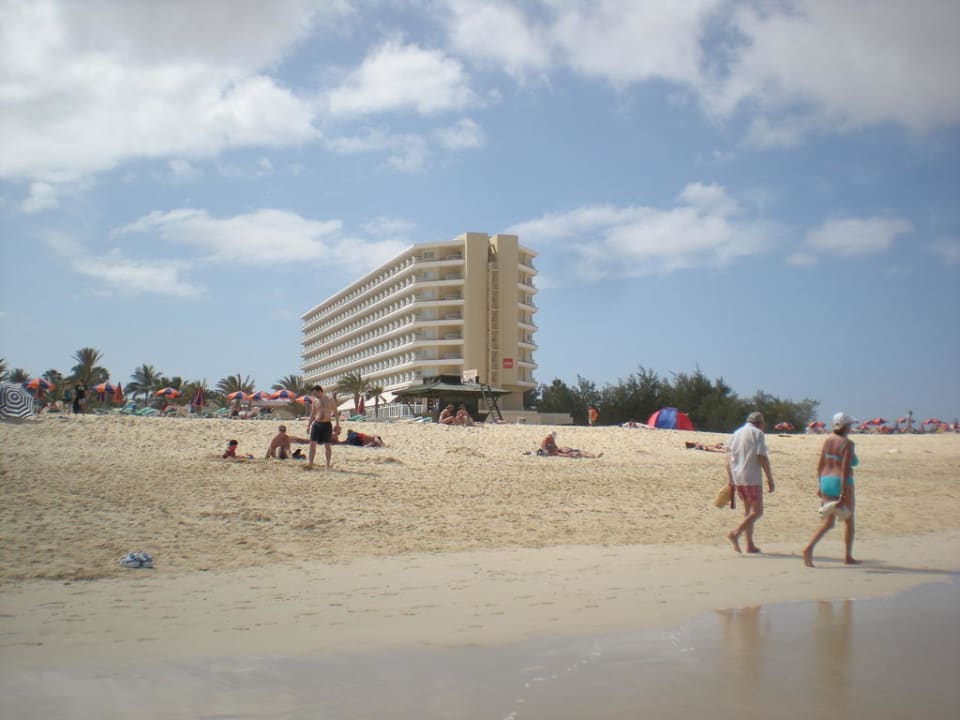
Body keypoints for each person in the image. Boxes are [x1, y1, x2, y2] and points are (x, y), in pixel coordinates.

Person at [803, 412, 861, 567]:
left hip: (826, 480)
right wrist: (843, 492)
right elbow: (845, 469)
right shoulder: (847, 444)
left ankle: (808, 548)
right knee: (849, 520)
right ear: (846, 426)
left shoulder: (827, 440)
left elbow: (820, 464)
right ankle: (848, 556)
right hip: (841, 482)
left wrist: (819, 486)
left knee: (828, 522)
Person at [724, 411, 775, 554]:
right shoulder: (757, 434)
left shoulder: (737, 433)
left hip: (738, 476)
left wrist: (731, 479)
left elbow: (727, 457)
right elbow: (762, 457)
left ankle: (749, 545)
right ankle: (735, 533)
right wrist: (770, 478)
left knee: (748, 511)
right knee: (757, 511)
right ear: (760, 423)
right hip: (751, 476)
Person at [306, 385, 337, 469]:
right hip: (317, 424)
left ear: (320, 391)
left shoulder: (330, 399)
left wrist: (337, 425)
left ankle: (327, 464)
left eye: (315, 393)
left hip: (327, 424)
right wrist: (308, 426)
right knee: (312, 444)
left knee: (327, 445)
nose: (314, 395)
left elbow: (336, 412)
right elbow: (312, 414)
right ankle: (310, 463)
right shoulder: (315, 401)